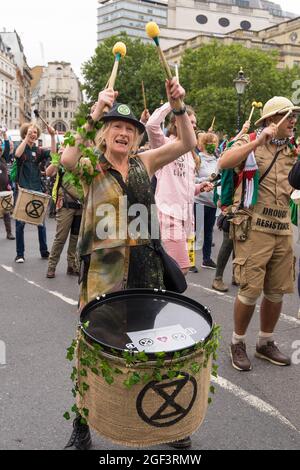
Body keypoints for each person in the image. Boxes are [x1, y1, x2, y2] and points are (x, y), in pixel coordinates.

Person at [61, 79, 197, 450]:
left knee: (151, 348)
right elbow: (67, 160)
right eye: (116, 127)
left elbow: (186, 143)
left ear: (136, 138)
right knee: (94, 352)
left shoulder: (144, 162)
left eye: (129, 129)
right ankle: (82, 423)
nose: (123, 132)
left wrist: (178, 106)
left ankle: (166, 421)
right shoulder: (91, 169)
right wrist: (93, 112)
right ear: (105, 134)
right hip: (103, 278)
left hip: (145, 273)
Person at [219, 96, 299, 372]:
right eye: (288, 116)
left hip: (282, 229)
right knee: (250, 290)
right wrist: (256, 142)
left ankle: (265, 342)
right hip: (254, 229)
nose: (293, 121)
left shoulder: (293, 151)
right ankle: (237, 342)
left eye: (294, 117)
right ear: (271, 120)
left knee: (276, 292)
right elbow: (224, 162)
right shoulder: (250, 142)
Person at [145, 102, 212, 275]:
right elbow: (151, 125)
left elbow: (183, 186)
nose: (195, 125)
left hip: (186, 218)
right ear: (177, 122)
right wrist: (172, 103)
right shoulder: (164, 144)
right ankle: (160, 299)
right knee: (180, 268)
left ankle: (158, 297)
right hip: (168, 214)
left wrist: (198, 187)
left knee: (175, 269)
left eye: (195, 123)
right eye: (190, 121)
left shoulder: (190, 154)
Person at [212, 121, 250, 292]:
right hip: (231, 205)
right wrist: (226, 207)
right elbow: (227, 183)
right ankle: (217, 278)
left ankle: (236, 275)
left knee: (239, 240)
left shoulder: (246, 157)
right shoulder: (232, 157)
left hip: (243, 205)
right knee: (228, 242)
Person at [14, 123, 56, 263]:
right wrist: (26, 138)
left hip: (37, 189)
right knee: (20, 224)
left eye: (35, 132)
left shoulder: (38, 151)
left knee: (41, 223)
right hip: (23, 189)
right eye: (30, 132)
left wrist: (52, 136)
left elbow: (54, 154)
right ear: (25, 134)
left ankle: (44, 251)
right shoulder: (22, 148)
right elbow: (17, 154)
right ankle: (20, 254)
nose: (33, 134)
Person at [46, 147, 83, 278]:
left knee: (75, 238)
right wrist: (58, 159)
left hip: (80, 205)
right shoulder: (64, 159)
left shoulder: (84, 159)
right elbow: (48, 173)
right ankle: (51, 267)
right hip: (65, 205)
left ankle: (71, 265)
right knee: (61, 237)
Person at [194, 132, 219, 270]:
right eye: (210, 143)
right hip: (199, 201)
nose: (213, 146)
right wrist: (206, 180)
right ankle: (190, 261)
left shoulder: (217, 160)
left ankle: (207, 259)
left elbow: (220, 179)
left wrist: (216, 183)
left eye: (214, 143)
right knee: (195, 232)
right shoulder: (198, 159)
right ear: (203, 144)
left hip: (212, 202)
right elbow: (192, 180)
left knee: (209, 232)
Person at [0, 129, 15, 240]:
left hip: (4, 188)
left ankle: (9, 233)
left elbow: (7, 145)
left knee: (6, 212)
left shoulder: (4, 158)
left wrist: (4, 134)